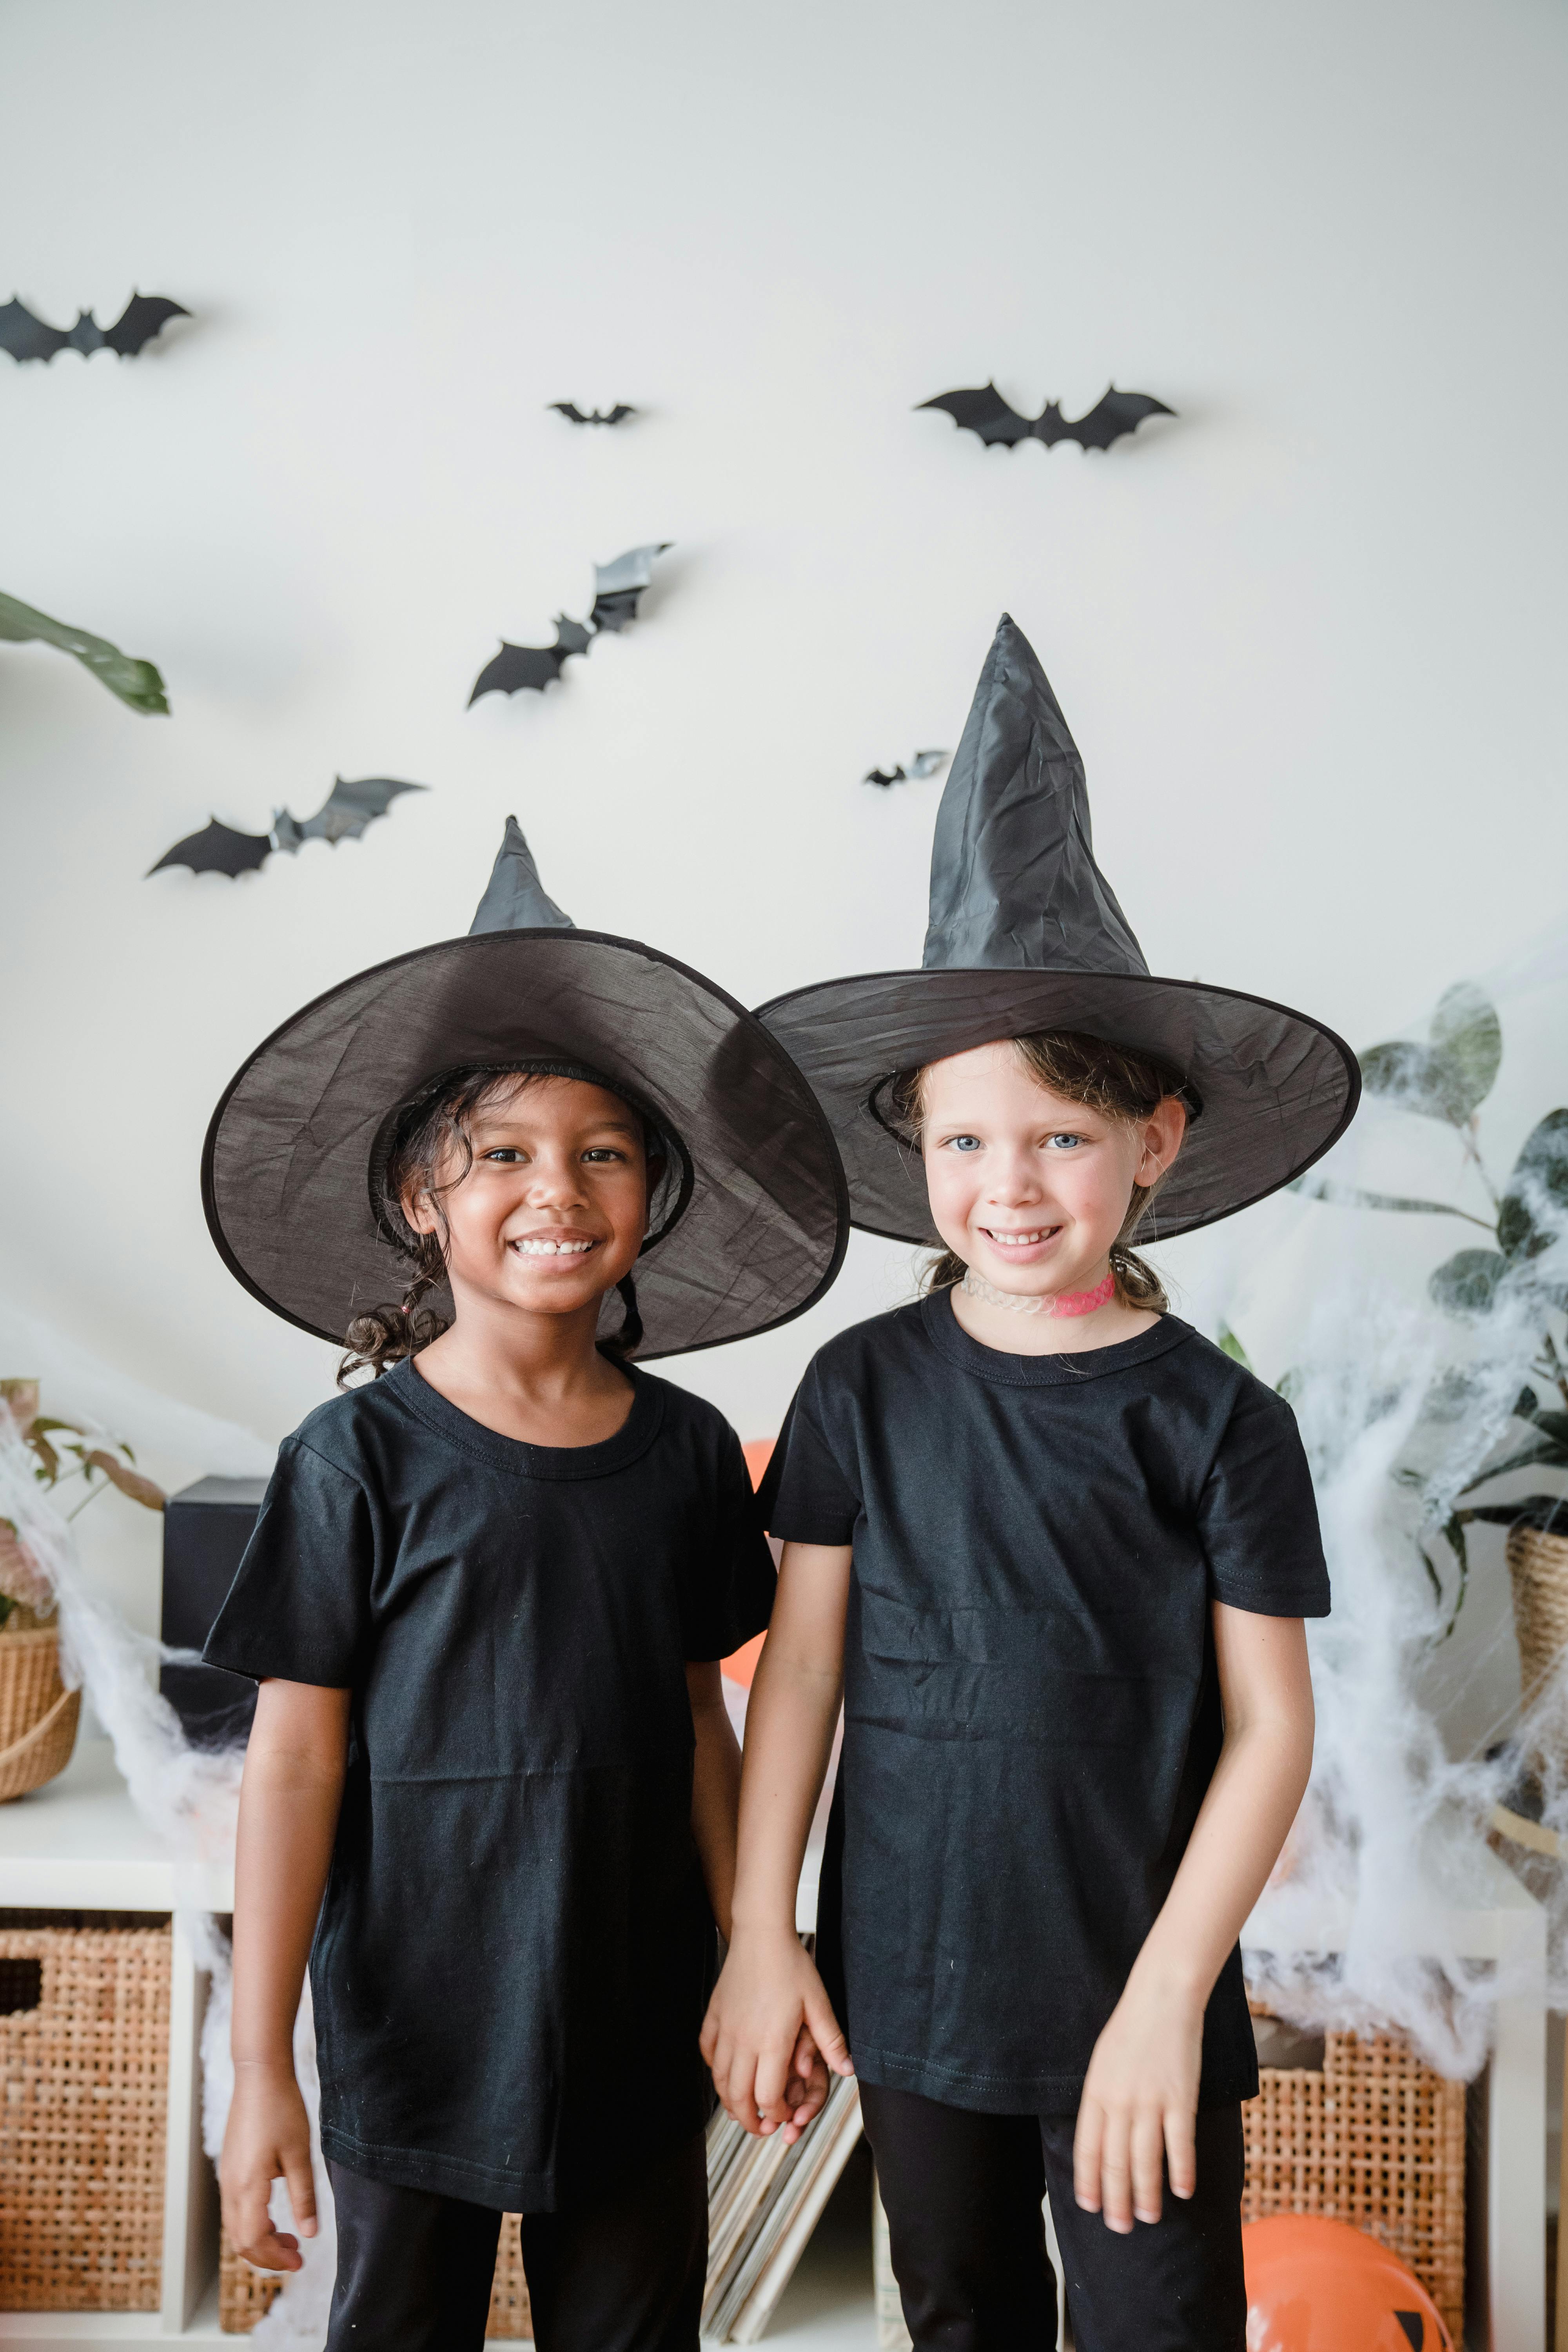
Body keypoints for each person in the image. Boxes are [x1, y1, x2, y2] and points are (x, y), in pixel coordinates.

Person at [701, 620, 1359, 2352]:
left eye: (1062, 1137)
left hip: (1136, 1998)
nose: (1010, 1184)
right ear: (917, 1147)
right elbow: (803, 1676)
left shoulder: (1219, 1422)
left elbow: (1271, 1730)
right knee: (957, 2315)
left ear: (1155, 1141)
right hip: (911, 1991)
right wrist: (763, 1933)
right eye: (964, 1141)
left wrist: (1167, 2001)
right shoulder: (862, 1388)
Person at [201, 820, 848, 2352]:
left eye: (601, 1151)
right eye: (503, 1152)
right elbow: (294, 1764)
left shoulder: (689, 1452)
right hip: (413, 2021)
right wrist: (261, 2063)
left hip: (638, 2019)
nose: (556, 1186)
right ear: (421, 1196)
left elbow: (702, 1722)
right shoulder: (354, 1458)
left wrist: (758, 1949)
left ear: (649, 1193)